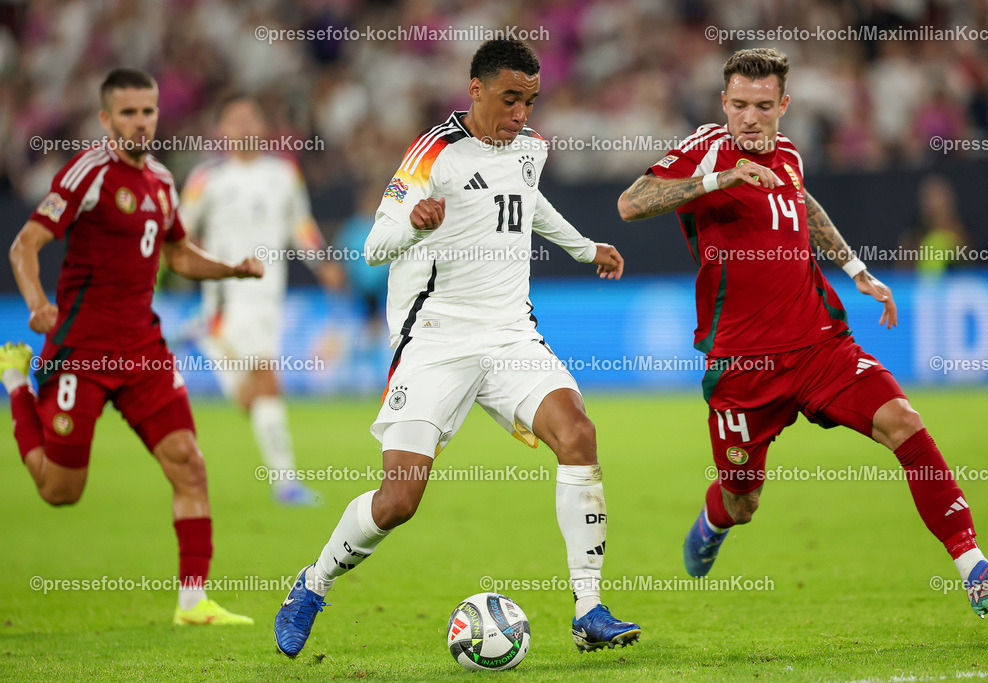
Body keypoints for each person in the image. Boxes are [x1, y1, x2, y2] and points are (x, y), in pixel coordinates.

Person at [617, 47, 988, 617]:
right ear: (723, 103)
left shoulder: (786, 154)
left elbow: (801, 205)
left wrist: (857, 269)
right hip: (743, 367)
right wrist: (719, 178)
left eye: (763, 106)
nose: (750, 118)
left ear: (783, 105)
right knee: (743, 500)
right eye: (739, 105)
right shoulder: (707, 150)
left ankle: (975, 569)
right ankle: (715, 520)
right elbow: (630, 204)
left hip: (818, 345)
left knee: (904, 423)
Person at [274, 39, 640, 657]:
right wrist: (414, 223)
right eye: (509, 99)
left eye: (529, 100)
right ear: (475, 91)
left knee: (578, 435)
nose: (521, 113)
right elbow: (375, 245)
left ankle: (589, 610)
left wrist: (583, 246)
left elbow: (526, 203)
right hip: (436, 338)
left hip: (510, 333)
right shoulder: (433, 153)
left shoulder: (531, 149)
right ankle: (312, 585)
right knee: (398, 501)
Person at [1, 68, 262, 625]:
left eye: (148, 111)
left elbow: (179, 254)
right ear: (106, 119)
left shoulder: (163, 181)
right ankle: (16, 383)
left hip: (143, 349)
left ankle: (193, 603)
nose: (141, 122)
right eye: (128, 113)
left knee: (189, 464)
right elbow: (26, 245)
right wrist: (36, 303)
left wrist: (231, 271)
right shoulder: (89, 173)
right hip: (84, 352)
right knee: (59, 491)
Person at [178, 94, 344, 507]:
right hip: (231, 298)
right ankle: (286, 483)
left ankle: (205, 335)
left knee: (250, 398)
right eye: (235, 118)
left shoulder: (284, 173)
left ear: (264, 126)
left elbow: (300, 225)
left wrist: (322, 262)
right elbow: (179, 231)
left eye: (252, 117)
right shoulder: (206, 178)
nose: (245, 124)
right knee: (269, 380)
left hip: (269, 298)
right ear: (222, 130)